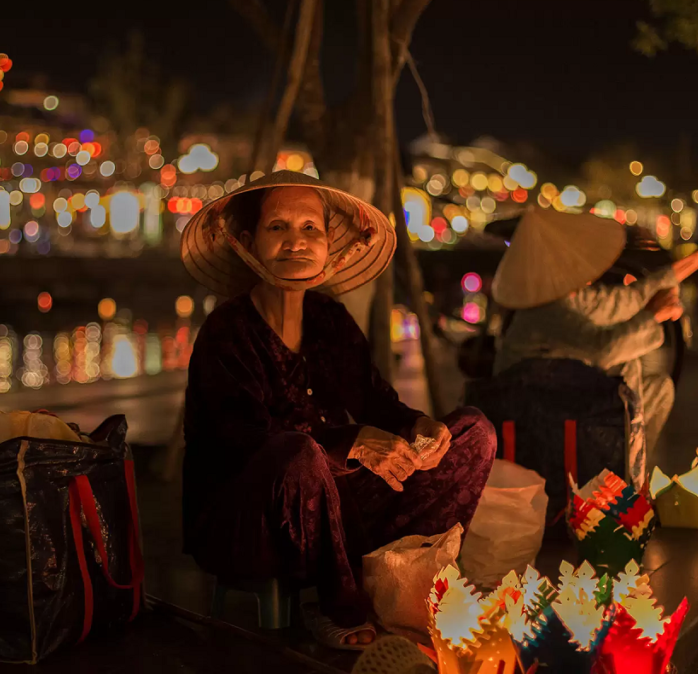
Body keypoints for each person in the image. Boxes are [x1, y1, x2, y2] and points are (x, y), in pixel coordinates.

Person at [179, 171, 496, 650]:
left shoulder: (330, 320)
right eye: (278, 228)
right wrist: (351, 443)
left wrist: (419, 427)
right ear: (247, 242)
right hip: (246, 522)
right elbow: (245, 443)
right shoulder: (227, 332)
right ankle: (336, 603)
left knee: (475, 431)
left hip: (338, 506)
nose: (296, 242)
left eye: (311, 229)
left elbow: (375, 402)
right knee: (299, 454)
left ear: (330, 245)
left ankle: (402, 584)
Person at [491, 207, 698, 486]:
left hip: (567, 403)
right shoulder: (546, 310)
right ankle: (621, 485)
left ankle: (629, 476)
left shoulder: (569, 300)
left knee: (658, 389)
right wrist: (652, 316)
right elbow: (604, 350)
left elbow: (631, 297)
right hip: (541, 417)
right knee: (625, 371)